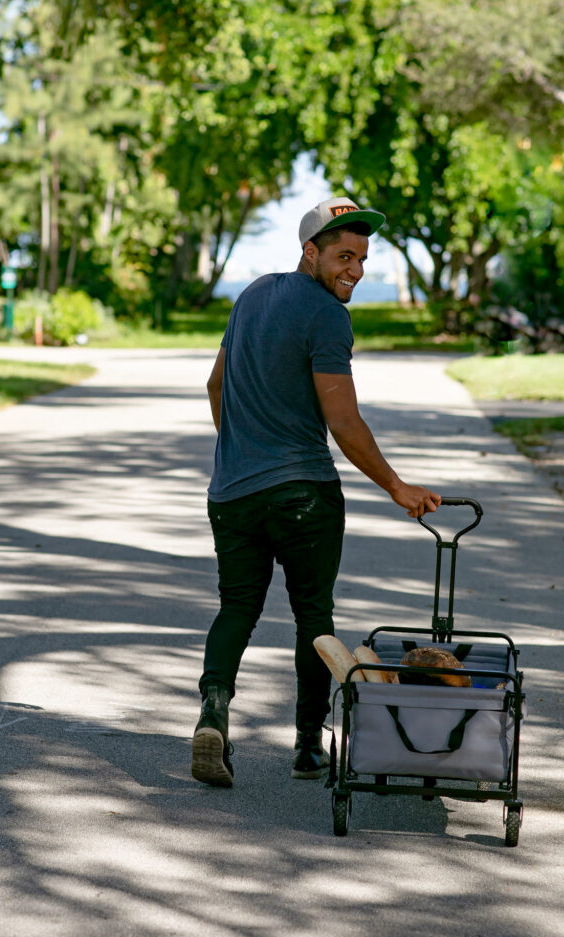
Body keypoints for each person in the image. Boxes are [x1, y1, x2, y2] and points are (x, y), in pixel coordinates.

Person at [191, 196, 441, 788]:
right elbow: (344, 421)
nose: (353, 270)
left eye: (360, 258)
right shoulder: (329, 316)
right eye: (343, 256)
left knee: (236, 609)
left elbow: (215, 385)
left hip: (232, 494)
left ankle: (212, 717)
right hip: (304, 495)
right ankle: (307, 745)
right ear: (311, 251)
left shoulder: (251, 295)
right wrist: (396, 487)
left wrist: (243, 451)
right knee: (314, 620)